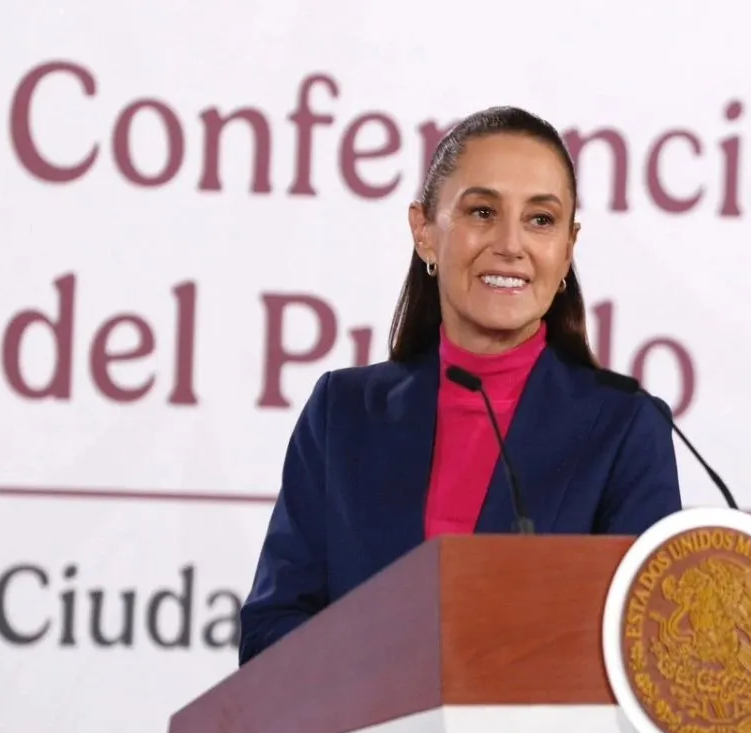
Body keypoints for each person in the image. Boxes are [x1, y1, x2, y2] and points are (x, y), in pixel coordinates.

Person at [238, 106, 683, 666]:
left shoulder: (624, 427)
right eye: (481, 211)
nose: (510, 244)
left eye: (541, 220)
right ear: (424, 232)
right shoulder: (343, 413)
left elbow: (647, 648)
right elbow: (271, 629)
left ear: (568, 249)